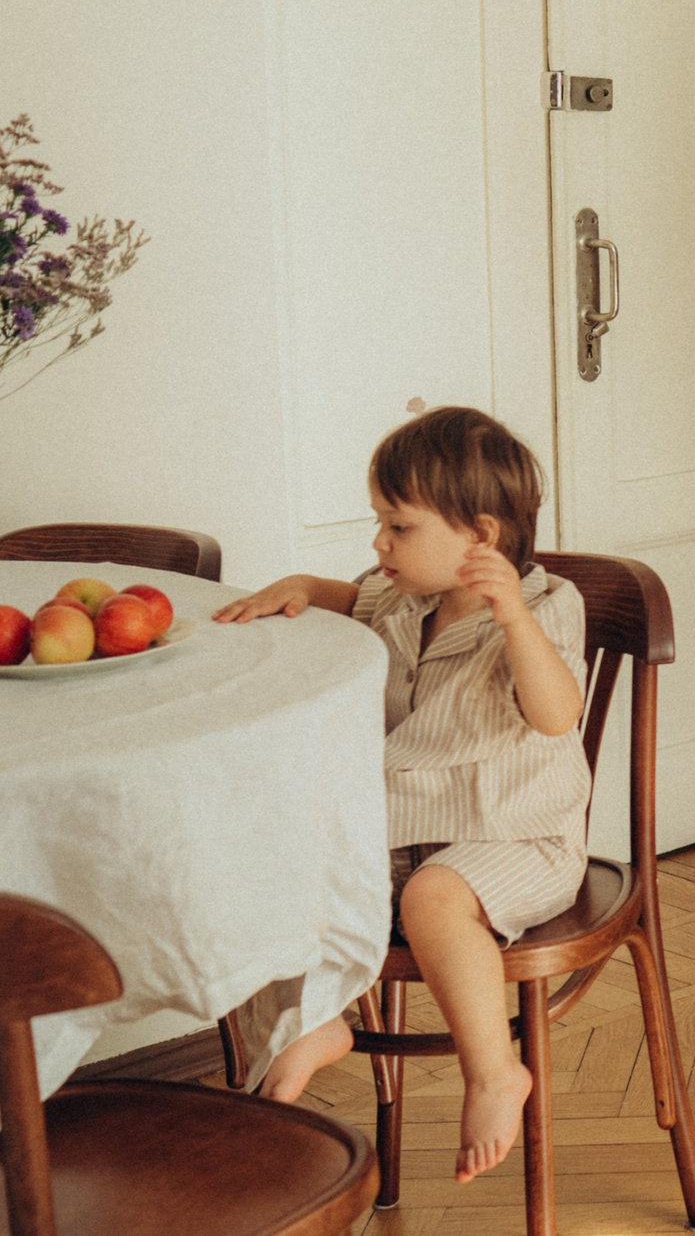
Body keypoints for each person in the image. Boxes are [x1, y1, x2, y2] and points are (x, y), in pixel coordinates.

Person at [212, 406, 592, 1184]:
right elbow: (348, 600)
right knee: (276, 851)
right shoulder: (404, 599)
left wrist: (513, 619)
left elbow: (557, 713)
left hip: (516, 839)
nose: (378, 543)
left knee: (434, 896)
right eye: (380, 522)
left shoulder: (547, 607)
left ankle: (494, 1073)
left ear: (481, 537)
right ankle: (311, 1020)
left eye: (398, 526)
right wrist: (299, 587)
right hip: (404, 834)